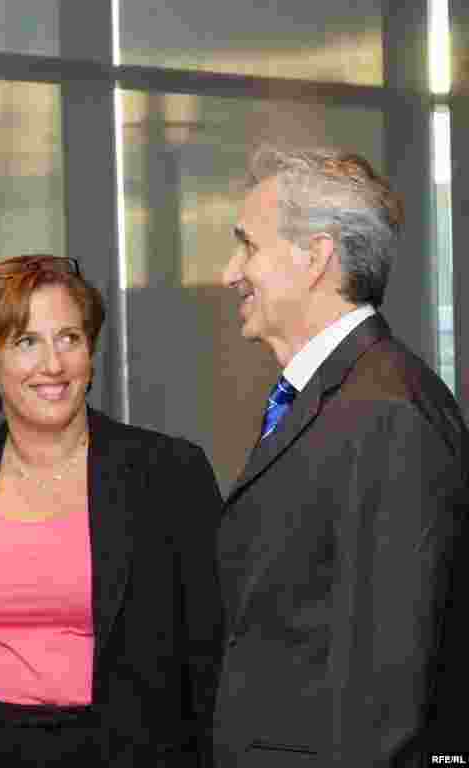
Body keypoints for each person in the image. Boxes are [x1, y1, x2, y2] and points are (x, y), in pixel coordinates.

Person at [0, 254, 223, 767]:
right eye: (26, 341)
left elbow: (212, 645)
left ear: (90, 350)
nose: (53, 364)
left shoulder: (168, 474)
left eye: (69, 338)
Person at [214, 146, 467, 766]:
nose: (228, 272)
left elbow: (389, 687)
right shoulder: (337, 395)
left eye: (247, 246)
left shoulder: (387, 411)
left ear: (316, 258)